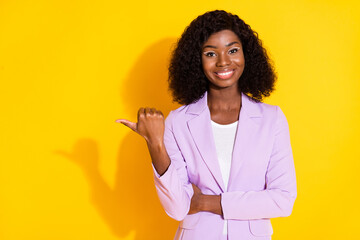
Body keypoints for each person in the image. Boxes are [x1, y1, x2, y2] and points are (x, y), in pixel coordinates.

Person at [116, 10, 297, 240]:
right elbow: (178, 208)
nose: (223, 61)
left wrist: (208, 202)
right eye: (211, 53)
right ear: (196, 60)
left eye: (233, 50)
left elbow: (283, 200)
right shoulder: (178, 121)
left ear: (246, 54)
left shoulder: (272, 119)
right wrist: (155, 144)